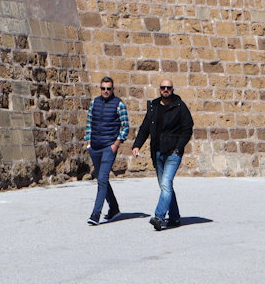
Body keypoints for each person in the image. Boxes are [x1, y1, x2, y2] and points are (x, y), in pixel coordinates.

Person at [131, 78, 194, 231]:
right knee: (165, 186)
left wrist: (178, 148)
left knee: (165, 184)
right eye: (163, 87)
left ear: (172, 89)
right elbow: (145, 127)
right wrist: (137, 145)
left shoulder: (180, 106)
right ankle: (175, 217)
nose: (165, 90)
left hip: (173, 153)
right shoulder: (153, 107)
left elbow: (187, 128)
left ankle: (159, 217)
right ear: (159, 89)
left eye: (168, 87)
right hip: (157, 152)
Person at [83, 76, 128, 225]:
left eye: (108, 88)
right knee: (102, 179)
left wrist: (116, 144)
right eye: (103, 88)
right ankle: (114, 208)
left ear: (113, 89)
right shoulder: (94, 103)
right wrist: (88, 141)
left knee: (102, 179)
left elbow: (125, 127)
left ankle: (95, 214)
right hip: (94, 147)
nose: (106, 91)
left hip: (109, 147)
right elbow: (89, 122)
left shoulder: (119, 104)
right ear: (100, 88)